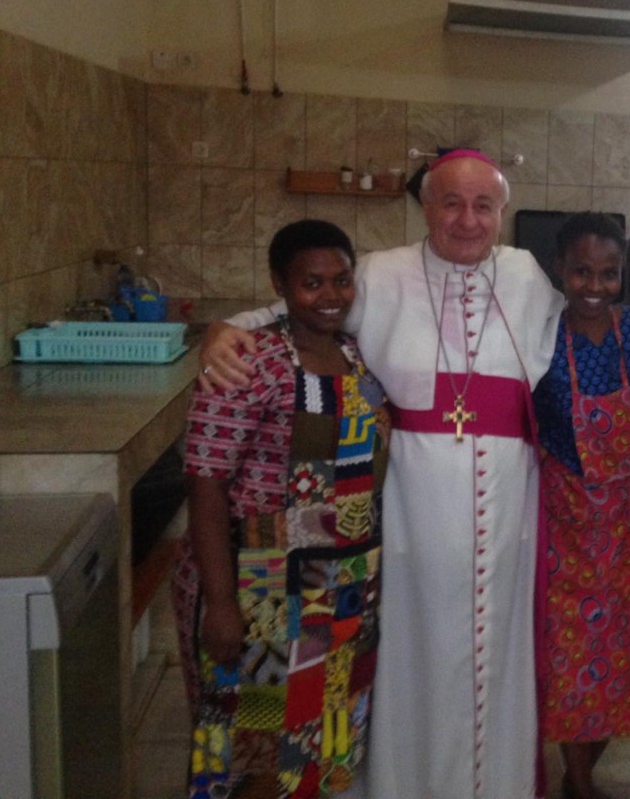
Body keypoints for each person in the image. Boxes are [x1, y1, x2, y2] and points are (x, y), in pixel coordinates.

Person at [197, 149, 564, 799]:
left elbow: (581, 322)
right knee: (393, 652)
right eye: (451, 203)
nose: (468, 219)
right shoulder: (381, 272)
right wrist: (222, 330)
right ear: (425, 206)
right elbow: (298, 309)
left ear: (502, 211)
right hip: (405, 507)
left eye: (484, 205)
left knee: (488, 652)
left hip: (509, 506)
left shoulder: (526, 274)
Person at [174, 218, 388, 798]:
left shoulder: (358, 356)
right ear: (280, 284)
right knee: (255, 747)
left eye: (341, 280)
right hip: (258, 584)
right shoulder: (249, 362)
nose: (330, 296)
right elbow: (206, 485)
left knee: (321, 741)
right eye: (311, 283)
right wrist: (221, 603)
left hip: (341, 587)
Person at [532, 212, 630, 799]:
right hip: (566, 521)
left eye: (608, 274)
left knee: (628, 657)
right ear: (559, 270)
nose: (594, 285)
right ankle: (581, 782)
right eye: (581, 271)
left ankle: (583, 774)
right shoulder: (538, 333)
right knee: (570, 653)